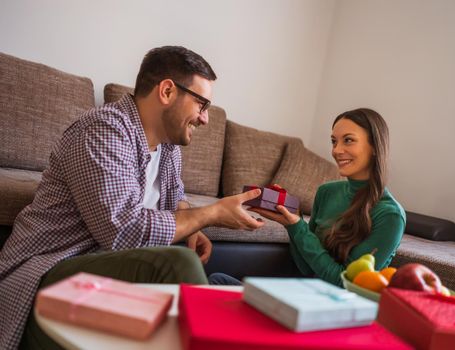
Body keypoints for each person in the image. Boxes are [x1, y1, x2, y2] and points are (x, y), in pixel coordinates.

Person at [0, 46, 264, 350]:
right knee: (177, 263)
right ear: (167, 91)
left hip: (101, 278)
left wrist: (193, 226)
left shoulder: (168, 148)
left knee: (206, 283)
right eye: (201, 104)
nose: (205, 119)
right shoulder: (102, 129)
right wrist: (212, 213)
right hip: (47, 277)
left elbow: (176, 196)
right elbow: (122, 231)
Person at [210, 108, 405, 287]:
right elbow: (304, 266)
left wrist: (298, 227)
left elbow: (343, 282)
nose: (336, 150)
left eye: (348, 140)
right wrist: (292, 223)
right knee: (217, 280)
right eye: (334, 141)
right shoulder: (327, 192)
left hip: (330, 307)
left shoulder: (390, 215)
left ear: (374, 146)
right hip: (300, 289)